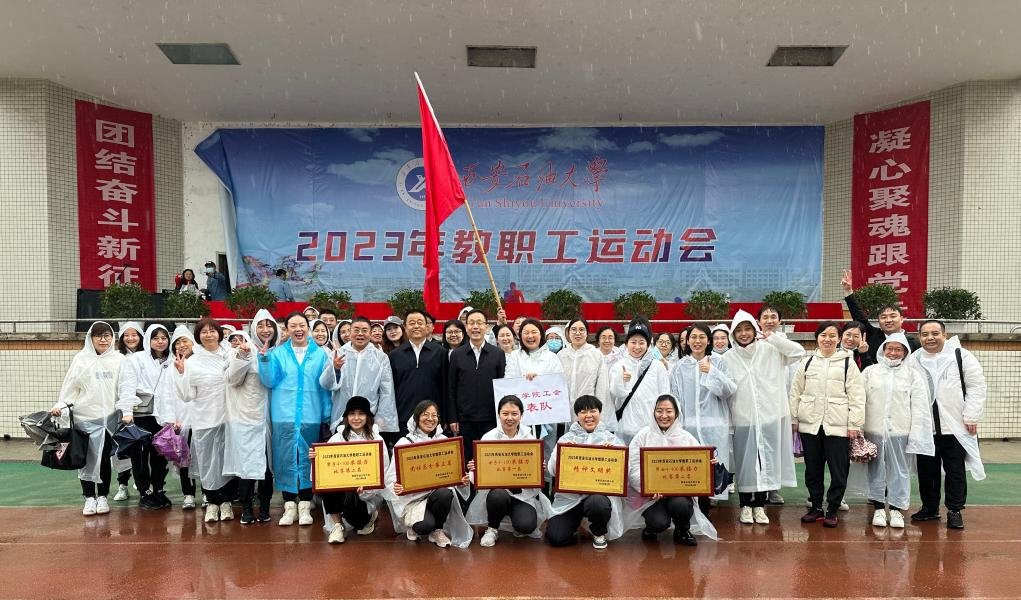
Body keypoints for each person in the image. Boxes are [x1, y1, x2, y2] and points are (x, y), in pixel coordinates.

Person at [720, 310, 805, 525]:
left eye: (748, 329)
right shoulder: (727, 358)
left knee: (766, 461)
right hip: (743, 419)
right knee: (745, 463)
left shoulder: (770, 349)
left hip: (769, 417)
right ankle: (745, 506)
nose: (744, 334)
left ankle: (760, 505)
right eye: (739, 330)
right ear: (733, 334)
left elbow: (799, 352)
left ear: (755, 330)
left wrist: (773, 338)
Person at [906, 320, 987, 529]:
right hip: (926, 428)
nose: (930, 338)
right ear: (919, 337)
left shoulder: (961, 356)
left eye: (935, 333)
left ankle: (954, 510)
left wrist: (971, 416)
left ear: (945, 334)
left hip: (955, 427)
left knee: (955, 471)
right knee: (927, 471)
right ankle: (930, 508)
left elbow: (977, 386)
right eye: (925, 334)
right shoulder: (914, 359)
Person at [847, 333, 933, 529]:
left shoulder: (912, 375)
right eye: (890, 349)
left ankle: (896, 509)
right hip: (874, 431)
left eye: (898, 349)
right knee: (876, 470)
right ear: (883, 350)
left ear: (905, 353)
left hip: (900, 432)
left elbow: (920, 407)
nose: (893, 353)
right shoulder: (870, 372)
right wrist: (858, 427)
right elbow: (859, 400)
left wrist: (917, 434)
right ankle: (878, 508)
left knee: (900, 471)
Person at [258, 312, 336, 526]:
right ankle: (289, 505)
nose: (298, 329)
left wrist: (326, 413)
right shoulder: (277, 353)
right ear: (287, 329)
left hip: (311, 414)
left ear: (308, 328)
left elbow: (325, 387)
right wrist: (264, 360)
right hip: (283, 414)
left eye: (302, 325)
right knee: (285, 457)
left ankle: (305, 505)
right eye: (293, 326)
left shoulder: (320, 354)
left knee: (308, 458)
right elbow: (269, 381)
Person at [789, 321, 866, 528]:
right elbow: (795, 392)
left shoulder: (848, 363)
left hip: (838, 427)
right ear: (817, 338)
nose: (828, 339)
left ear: (839, 339)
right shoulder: (807, 362)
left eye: (832, 335)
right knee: (812, 470)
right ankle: (815, 507)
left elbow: (857, 396)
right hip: (810, 426)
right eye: (823, 335)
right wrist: (794, 419)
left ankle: (832, 508)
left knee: (839, 471)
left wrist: (854, 424)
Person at [50, 322, 125, 517]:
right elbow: (70, 389)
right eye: (98, 335)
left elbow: (125, 388)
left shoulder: (119, 360)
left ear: (112, 337)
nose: (103, 339)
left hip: (109, 420)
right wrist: (61, 407)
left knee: (104, 458)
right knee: (85, 459)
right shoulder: (81, 360)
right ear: (90, 338)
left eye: (107, 335)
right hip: (85, 419)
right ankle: (89, 497)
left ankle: (103, 497)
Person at [625, 394, 718, 546]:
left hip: (678, 494)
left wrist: (709, 463)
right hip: (652, 497)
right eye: (659, 411)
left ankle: (682, 530)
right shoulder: (643, 436)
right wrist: (648, 488)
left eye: (669, 411)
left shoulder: (686, 437)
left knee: (681, 505)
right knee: (659, 522)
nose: (664, 415)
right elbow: (633, 467)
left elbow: (699, 464)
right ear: (653, 412)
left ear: (676, 413)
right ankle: (651, 528)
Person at [465, 395, 553, 547]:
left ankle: (515, 518)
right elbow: (476, 476)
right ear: (499, 415)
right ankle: (492, 529)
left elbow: (537, 476)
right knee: (498, 496)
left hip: (522, 495)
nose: (510, 418)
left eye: (514, 413)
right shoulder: (488, 438)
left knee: (526, 526)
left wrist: (538, 469)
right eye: (505, 413)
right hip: (497, 494)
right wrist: (475, 470)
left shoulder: (530, 440)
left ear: (521, 415)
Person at [669, 322, 737, 517]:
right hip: (688, 427)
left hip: (714, 426)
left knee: (712, 470)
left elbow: (729, 390)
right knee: (690, 472)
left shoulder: (719, 362)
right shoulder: (679, 367)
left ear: (709, 340)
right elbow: (675, 397)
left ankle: (707, 512)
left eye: (702, 337)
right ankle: (689, 512)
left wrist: (712, 372)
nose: (697, 341)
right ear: (687, 341)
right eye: (693, 337)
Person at [386, 400, 473, 548]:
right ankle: (415, 526)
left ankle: (438, 530)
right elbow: (391, 478)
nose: (430, 419)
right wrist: (396, 487)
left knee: (445, 494)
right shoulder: (404, 443)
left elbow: (453, 473)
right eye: (425, 415)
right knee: (424, 526)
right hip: (412, 499)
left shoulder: (444, 441)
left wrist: (462, 480)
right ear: (416, 417)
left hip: (436, 496)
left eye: (434, 415)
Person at [545, 395, 626, 549]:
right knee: (556, 538)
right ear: (577, 415)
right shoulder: (566, 439)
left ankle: (598, 532)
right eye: (583, 412)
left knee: (597, 503)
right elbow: (552, 471)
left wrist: (613, 455)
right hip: (570, 498)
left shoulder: (611, 440)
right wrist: (562, 454)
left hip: (597, 497)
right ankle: (574, 522)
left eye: (593, 411)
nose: (588, 416)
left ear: (600, 413)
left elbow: (623, 475)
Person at [175, 318, 236, 523]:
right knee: (208, 462)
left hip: (229, 416)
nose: (208, 335)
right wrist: (181, 374)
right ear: (198, 336)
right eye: (203, 332)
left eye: (212, 331)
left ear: (219, 333)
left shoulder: (230, 355)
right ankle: (212, 502)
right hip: (204, 418)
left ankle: (226, 502)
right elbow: (187, 395)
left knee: (227, 460)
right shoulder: (192, 362)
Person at [311, 396, 390, 544]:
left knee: (358, 522)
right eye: (352, 413)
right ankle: (338, 526)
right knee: (326, 484)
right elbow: (324, 471)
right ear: (346, 417)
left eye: (361, 413)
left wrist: (367, 488)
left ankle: (370, 517)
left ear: (367, 417)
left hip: (364, 496)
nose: (356, 418)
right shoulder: (336, 439)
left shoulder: (377, 441)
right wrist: (316, 459)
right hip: (342, 492)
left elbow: (384, 473)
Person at [225, 309, 278, 524]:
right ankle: (247, 507)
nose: (265, 330)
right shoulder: (241, 350)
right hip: (246, 418)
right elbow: (232, 379)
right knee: (246, 466)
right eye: (261, 326)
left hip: (270, 419)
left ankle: (264, 507)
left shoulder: (279, 352)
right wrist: (243, 356)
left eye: (269, 325)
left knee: (267, 467)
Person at [117, 324, 174, 510]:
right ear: (148, 340)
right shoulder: (136, 359)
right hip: (142, 414)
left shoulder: (172, 360)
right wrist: (127, 412)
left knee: (160, 455)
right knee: (140, 456)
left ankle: (158, 489)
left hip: (164, 415)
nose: (160, 341)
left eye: (164, 338)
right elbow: (127, 385)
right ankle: (145, 492)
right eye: (155, 338)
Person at [322, 316, 399, 442]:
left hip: (368, 416)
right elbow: (326, 384)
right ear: (350, 332)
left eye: (364, 330)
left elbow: (386, 391)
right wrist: (335, 369)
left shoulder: (381, 358)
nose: (360, 334)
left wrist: (382, 419)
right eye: (356, 330)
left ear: (370, 333)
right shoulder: (338, 354)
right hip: (342, 415)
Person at [447, 309, 506, 463]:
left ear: (486, 326)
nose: (475, 327)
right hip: (464, 420)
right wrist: (453, 417)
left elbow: (502, 387)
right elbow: (451, 388)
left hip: (491, 418)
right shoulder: (457, 354)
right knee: (468, 461)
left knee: (490, 460)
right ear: (466, 327)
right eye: (471, 323)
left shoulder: (497, 354)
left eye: (479, 323)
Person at [389, 310, 448, 437]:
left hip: (432, 418)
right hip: (403, 416)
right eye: (412, 323)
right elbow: (391, 389)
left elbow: (445, 387)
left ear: (427, 326)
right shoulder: (394, 355)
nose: (416, 326)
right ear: (405, 327)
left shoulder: (440, 352)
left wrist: (444, 417)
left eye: (420, 323)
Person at [608, 322, 671, 443]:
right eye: (633, 342)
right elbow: (614, 395)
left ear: (648, 345)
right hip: (625, 427)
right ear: (626, 344)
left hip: (650, 428)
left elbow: (664, 395)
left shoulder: (657, 366)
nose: (637, 347)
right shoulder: (618, 366)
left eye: (641, 342)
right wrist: (621, 381)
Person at [840, 270, 919, 363]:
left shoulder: (912, 341)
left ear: (901, 319)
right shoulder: (872, 335)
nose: (888, 320)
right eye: (883, 317)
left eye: (893, 316)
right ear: (878, 321)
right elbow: (858, 316)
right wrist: (848, 291)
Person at [559, 318, 612, 428]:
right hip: (564, 411)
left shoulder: (596, 355)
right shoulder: (561, 355)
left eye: (581, 330)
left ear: (587, 333)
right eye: (573, 329)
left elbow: (602, 388)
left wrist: (598, 413)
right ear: (568, 333)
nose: (577, 333)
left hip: (587, 412)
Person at [111, 321, 143, 501]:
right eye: (127, 335)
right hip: (122, 409)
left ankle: (142, 481)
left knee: (143, 447)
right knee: (123, 447)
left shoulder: (147, 355)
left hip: (144, 409)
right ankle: (122, 484)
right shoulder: (116, 357)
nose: (131, 338)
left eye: (134, 334)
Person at [168, 325, 198, 509]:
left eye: (185, 340)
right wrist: (172, 419)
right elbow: (167, 395)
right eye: (177, 342)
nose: (181, 345)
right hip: (182, 420)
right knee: (184, 459)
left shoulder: (200, 362)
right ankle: (188, 494)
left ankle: (208, 493)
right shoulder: (170, 367)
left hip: (202, 418)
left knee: (204, 457)